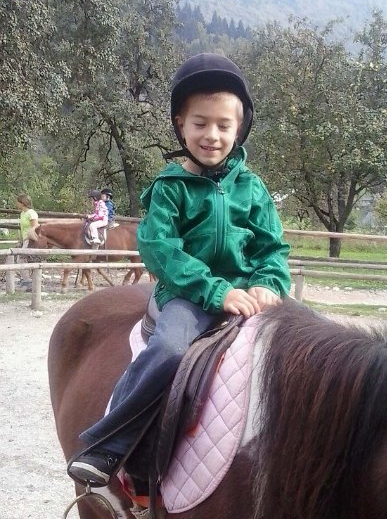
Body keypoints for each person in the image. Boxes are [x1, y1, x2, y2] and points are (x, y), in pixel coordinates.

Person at [67, 53, 291, 487]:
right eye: (200, 123)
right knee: (170, 350)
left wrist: (268, 282)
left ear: (239, 129)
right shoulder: (170, 187)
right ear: (181, 125)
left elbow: (273, 247)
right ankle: (109, 443)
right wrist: (216, 291)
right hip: (188, 295)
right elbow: (160, 249)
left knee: (320, 346)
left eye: (223, 125)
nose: (212, 135)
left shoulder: (253, 188)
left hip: (250, 292)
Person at [15, 193, 39, 291]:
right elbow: (22, 228)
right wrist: (20, 240)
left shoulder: (31, 213)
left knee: (20, 259)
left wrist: (28, 239)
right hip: (25, 240)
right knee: (22, 259)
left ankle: (28, 282)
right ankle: (27, 281)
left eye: (18, 202)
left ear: (23, 203)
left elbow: (35, 227)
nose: (16, 204)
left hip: (30, 239)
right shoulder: (22, 213)